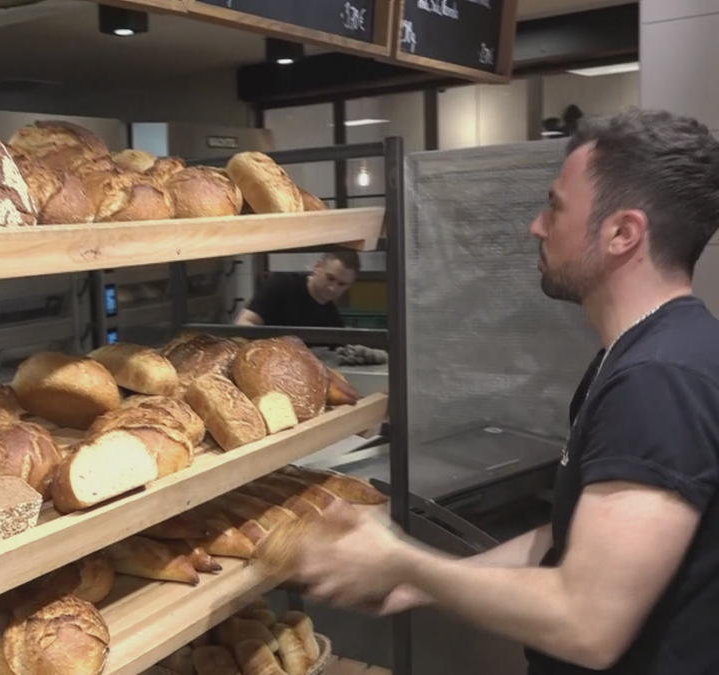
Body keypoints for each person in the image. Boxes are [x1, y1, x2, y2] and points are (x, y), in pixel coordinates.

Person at [275, 109, 719, 674]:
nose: (537, 224)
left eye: (556, 206)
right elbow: (569, 541)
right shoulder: (646, 354)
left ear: (623, 233)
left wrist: (404, 563)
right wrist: (420, 581)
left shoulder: (659, 382)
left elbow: (587, 622)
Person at [235, 251, 359, 328]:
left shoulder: (332, 319)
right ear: (318, 266)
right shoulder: (280, 285)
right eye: (330, 278)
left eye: (342, 284)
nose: (333, 288)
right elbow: (243, 323)